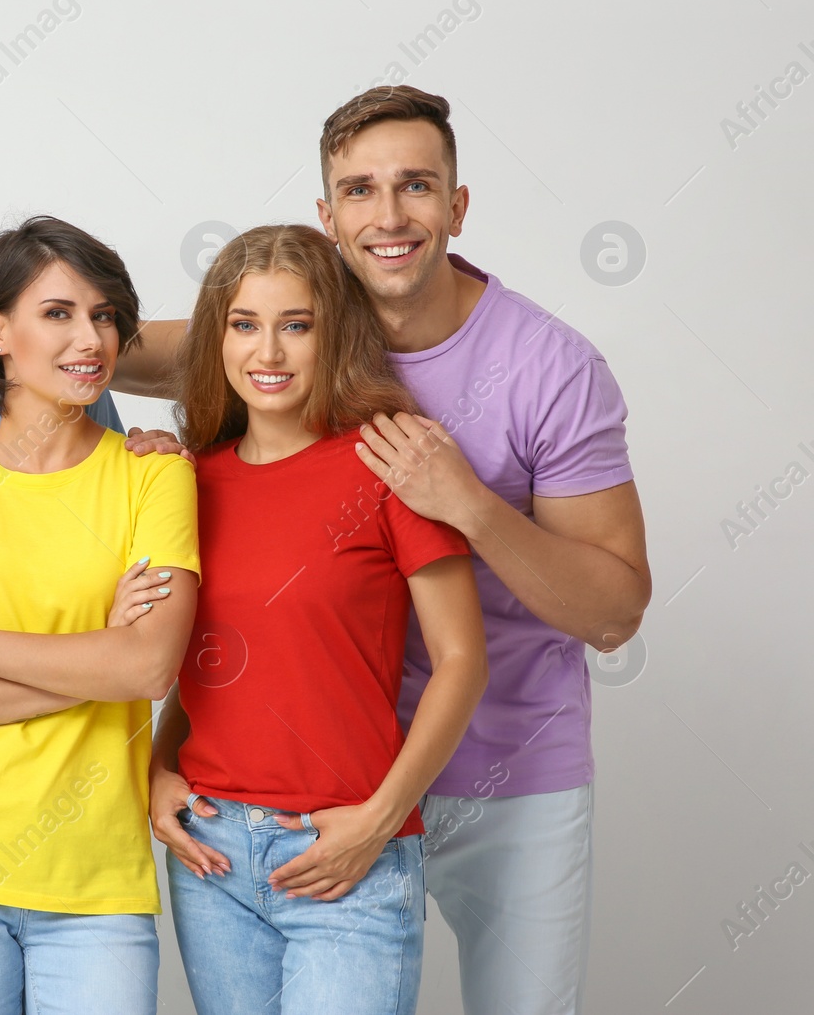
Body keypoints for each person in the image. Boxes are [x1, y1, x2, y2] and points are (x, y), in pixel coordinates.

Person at [318, 87, 651, 1014]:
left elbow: (616, 611)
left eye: (416, 186)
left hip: (516, 778)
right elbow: (124, 349)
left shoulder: (553, 366)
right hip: (343, 773)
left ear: (457, 206)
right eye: (360, 191)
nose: (388, 216)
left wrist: (469, 506)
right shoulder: (300, 333)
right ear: (328, 216)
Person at [145, 224, 488, 1015]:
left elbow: (463, 659)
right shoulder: (186, 483)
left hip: (349, 858)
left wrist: (379, 821)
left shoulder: (389, 466)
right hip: (214, 858)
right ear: (218, 339)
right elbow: (206, 665)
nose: (268, 352)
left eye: (296, 324)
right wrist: (160, 769)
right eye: (245, 325)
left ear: (334, 334)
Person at [0, 216, 200, 1015]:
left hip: (97, 883)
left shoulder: (155, 478)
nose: (91, 337)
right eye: (59, 313)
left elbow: (151, 667)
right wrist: (100, 660)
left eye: (105, 315)